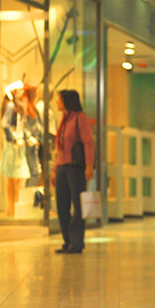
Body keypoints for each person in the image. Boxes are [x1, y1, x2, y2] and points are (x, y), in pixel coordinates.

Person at [51, 89, 94, 253]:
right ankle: (68, 241)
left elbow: (88, 143)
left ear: (67, 101)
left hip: (75, 168)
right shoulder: (64, 120)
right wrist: (55, 170)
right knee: (61, 206)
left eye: (59, 100)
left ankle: (76, 242)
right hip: (62, 168)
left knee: (78, 206)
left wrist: (89, 166)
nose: (57, 103)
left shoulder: (80, 118)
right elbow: (59, 149)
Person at [0, 86, 30, 216]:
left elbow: (22, 126)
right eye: (19, 90)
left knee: (18, 177)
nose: (22, 92)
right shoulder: (11, 106)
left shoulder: (18, 107)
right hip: (13, 146)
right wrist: (13, 138)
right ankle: (12, 208)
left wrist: (27, 136)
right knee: (13, 177)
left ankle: (15, 208)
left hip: (18, 145)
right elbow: (5, 124)